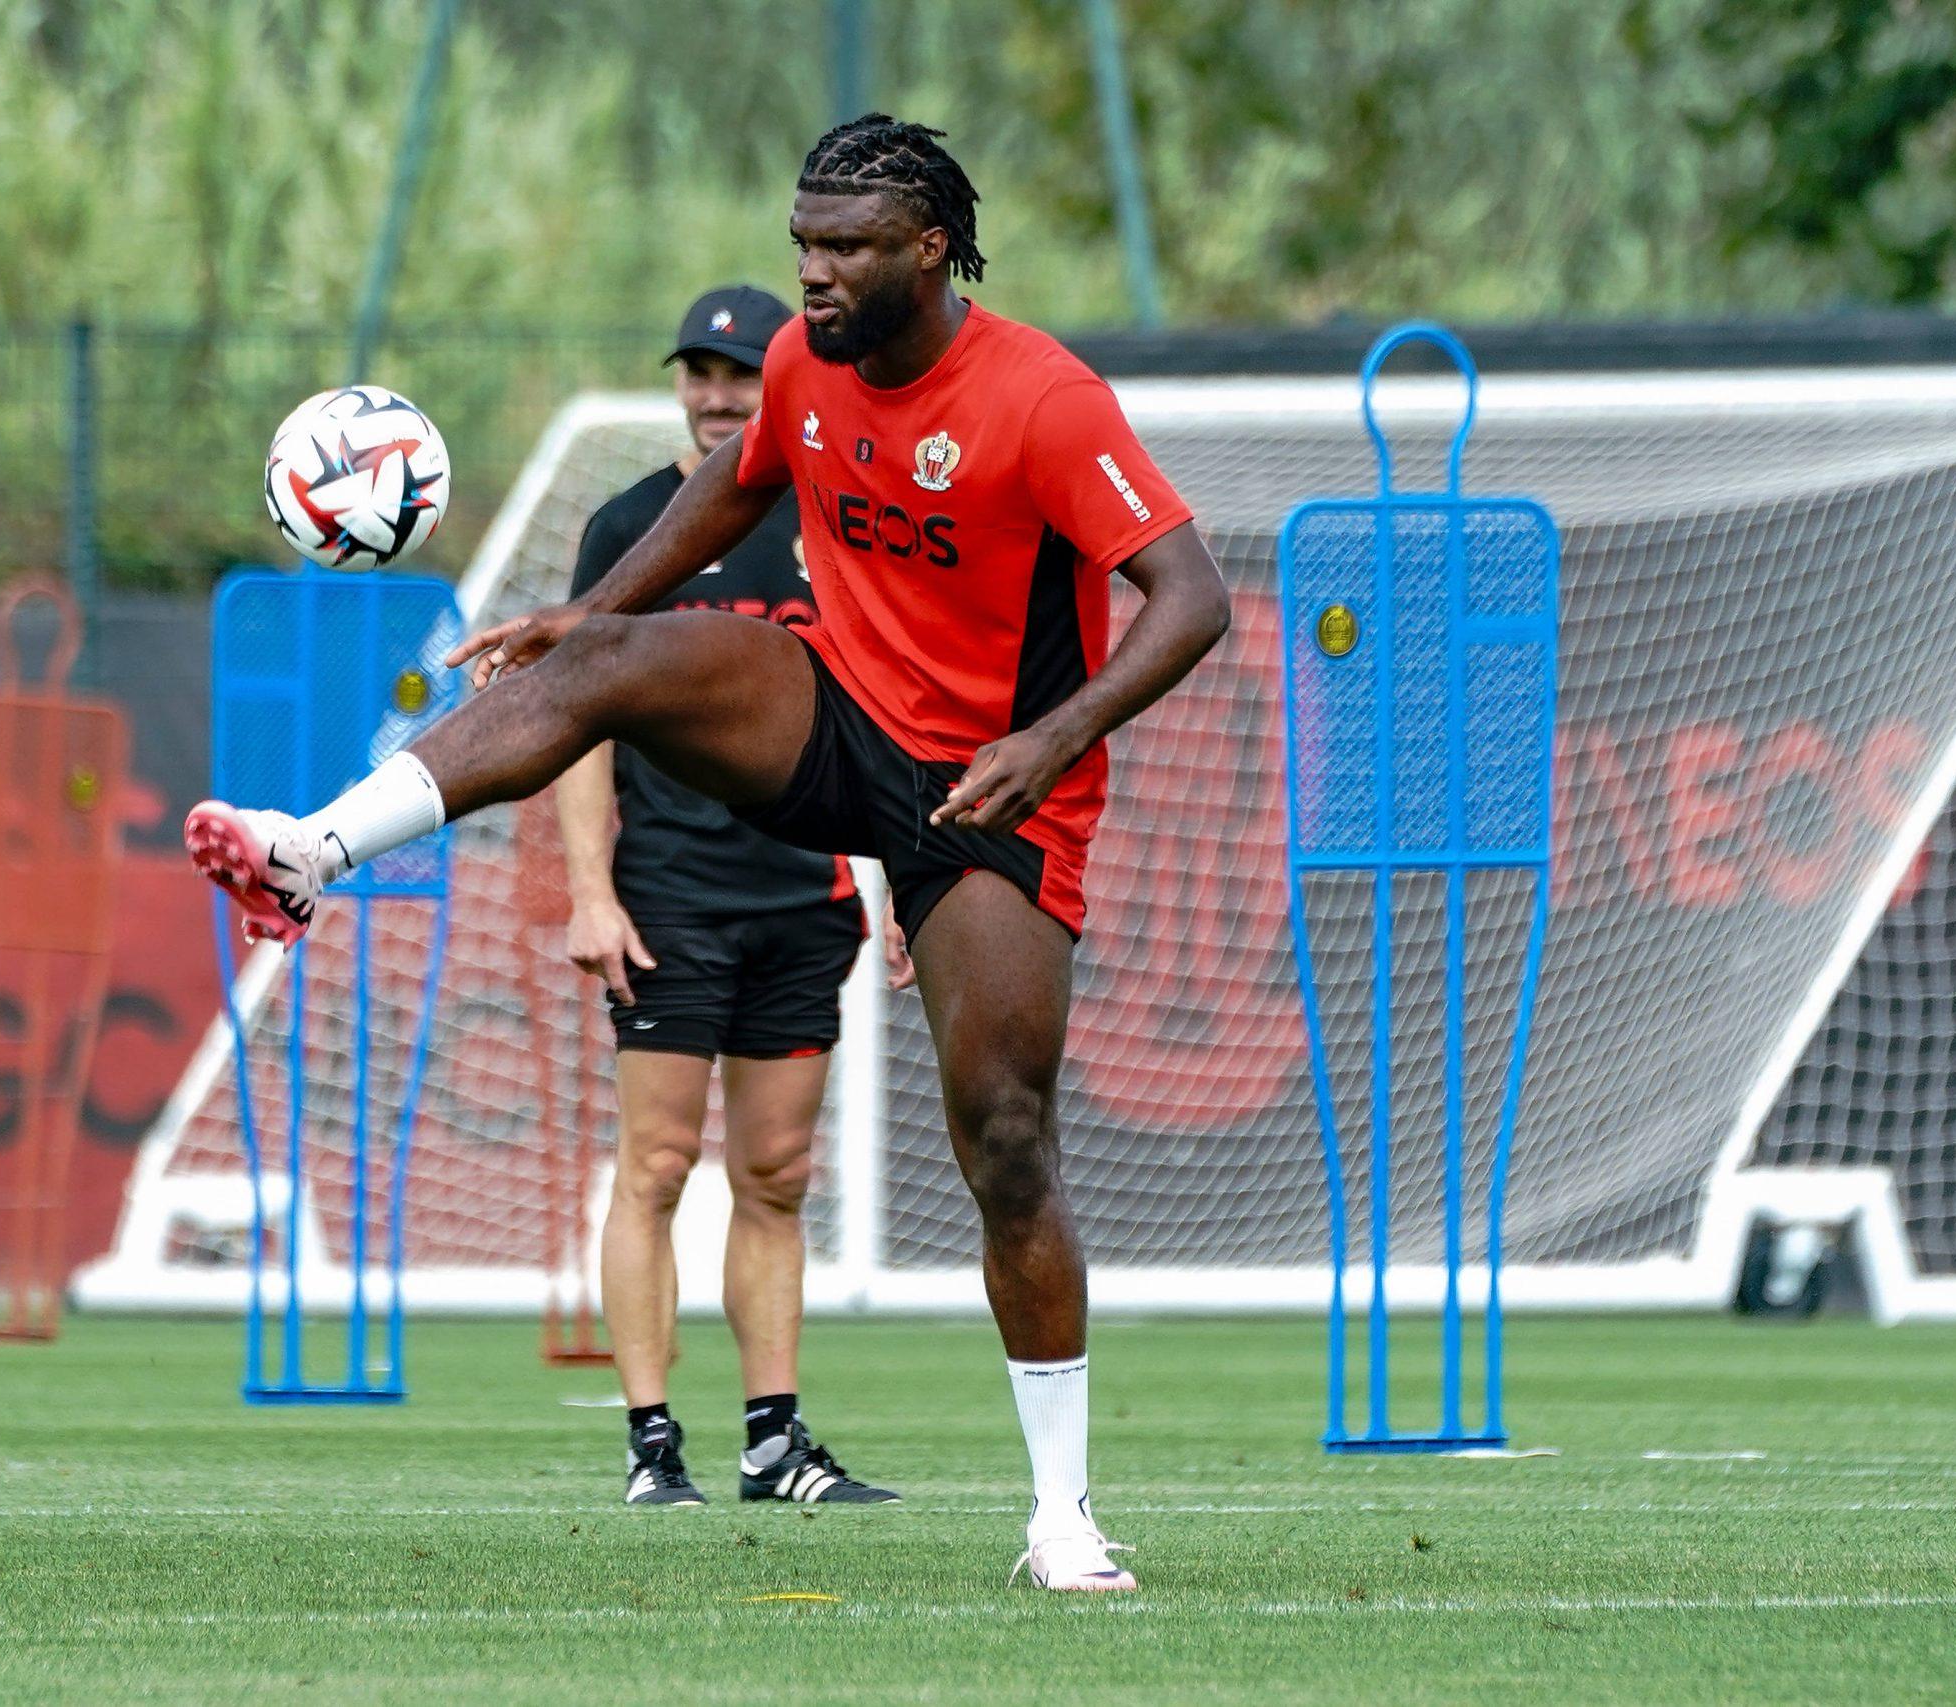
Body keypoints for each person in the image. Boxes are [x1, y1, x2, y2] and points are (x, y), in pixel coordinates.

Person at [185, 114, 1230, 1593]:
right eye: (805, 242)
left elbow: (1190, 599)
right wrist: (588, 608)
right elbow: (734, 490)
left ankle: (1061, 1514)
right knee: (597, 663)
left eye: (849, 247)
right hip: (835, 707)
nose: (813, 275)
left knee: (1004, 1134)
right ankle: (313, 850)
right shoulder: (805, 367)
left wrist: (1049, 740)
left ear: (931, 248)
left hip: (992, 785)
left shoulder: (1043, 400)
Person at [559, 284, 902, 1510]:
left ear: (790, 384)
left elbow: (894, 719)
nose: (715, 395)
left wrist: (903, 879)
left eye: (740, 374)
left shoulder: (840, 523)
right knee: (652, 1166)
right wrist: (590, 891)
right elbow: (576, 726)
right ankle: (653, 1447)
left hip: (802, 898)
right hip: (667, 903)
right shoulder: (628, 534)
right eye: (698, 372)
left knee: (777, 1174)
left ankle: (774, 1443)